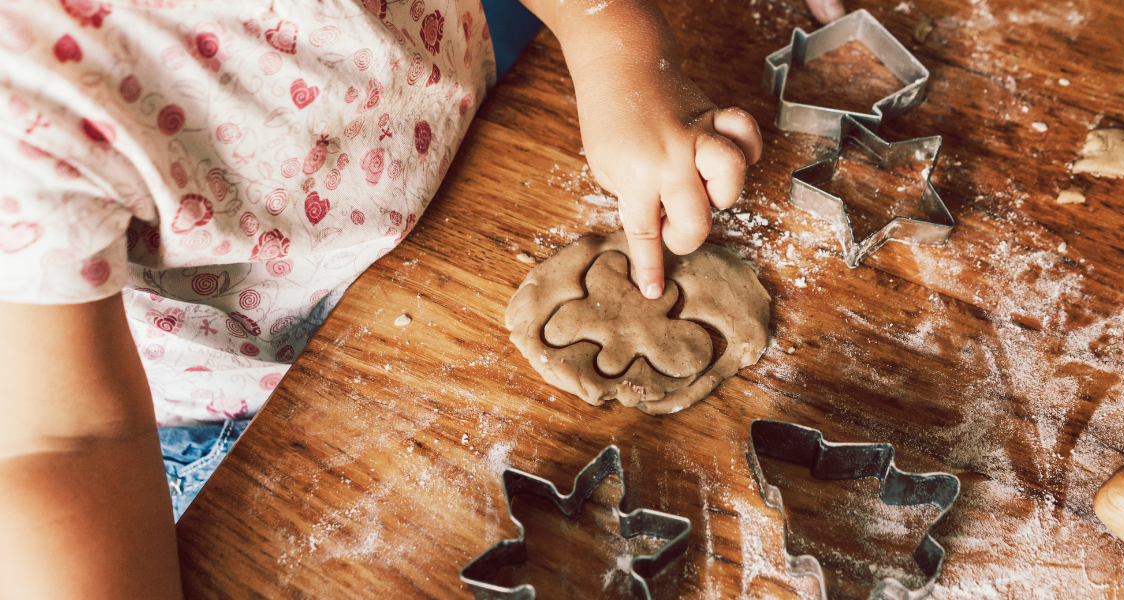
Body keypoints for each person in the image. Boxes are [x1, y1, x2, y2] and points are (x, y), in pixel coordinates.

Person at [0, 0, 844, 597]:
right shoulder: (23, 96)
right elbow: (63, 443)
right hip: (231, 406)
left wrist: (613, 43)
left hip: (462, 151)